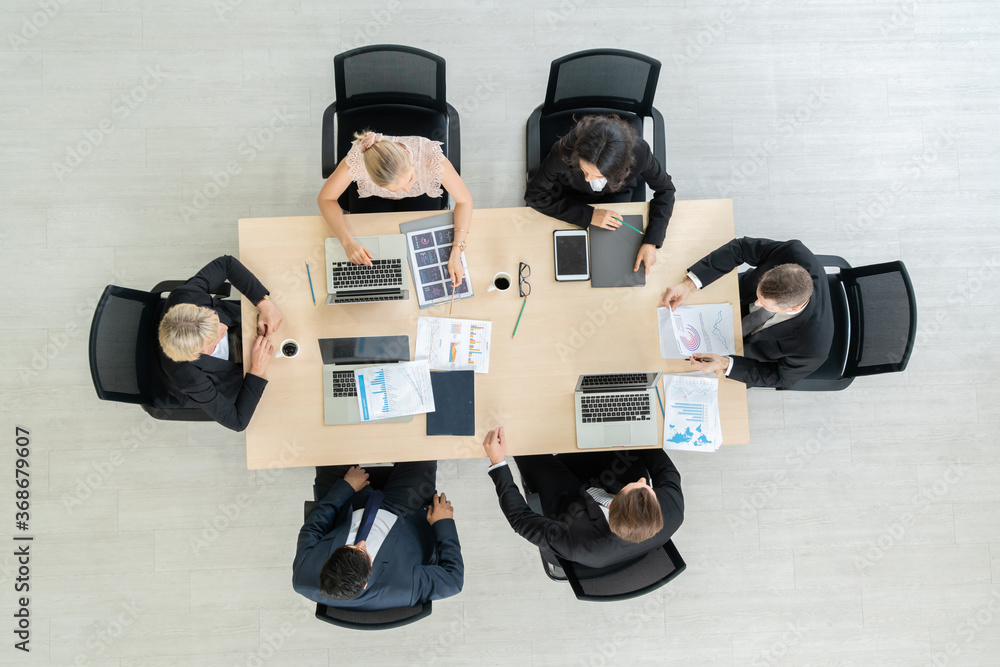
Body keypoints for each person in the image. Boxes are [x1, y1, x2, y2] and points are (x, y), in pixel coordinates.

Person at [481, 427, 683, 569]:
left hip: (568, 505)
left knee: (521, 442)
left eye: (638, 485)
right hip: (611, 477)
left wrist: (498, 463)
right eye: (647, 487)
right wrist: (636, 424)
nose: (643, 480)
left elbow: (519, 519)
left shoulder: (578, 545)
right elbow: (661, 464)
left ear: (613, 504)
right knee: (621, 434)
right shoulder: (671, 509)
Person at [660, 237, 834, 389]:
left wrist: (724, 363)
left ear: (793, 308)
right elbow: (741, 248)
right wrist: (689, 284)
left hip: (742, 353)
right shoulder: (794, 253)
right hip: (730, 298)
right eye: (759, 294)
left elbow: (780, 378)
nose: (756, 303)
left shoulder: (814, 348)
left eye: (764, 304)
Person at [292, 462, 464, 609]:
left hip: (346, 506)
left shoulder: (305, 577)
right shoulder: (404, 586)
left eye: (349, 547)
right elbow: (454, 581)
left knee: (330, 448)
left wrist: (345, 488)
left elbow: (312, 529)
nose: (362, 543)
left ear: (326, 563)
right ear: (366, 582)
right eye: (364, 553)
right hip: (404, 510)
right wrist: (443, 523)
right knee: (421, 452)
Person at [524, 114, 676, 276]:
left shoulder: (640, 153)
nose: (588, 178)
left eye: (597, 176)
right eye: (585, 170)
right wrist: (588, 215)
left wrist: (652, 241)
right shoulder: (565, 150)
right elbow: (535, 196)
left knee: (616, 257)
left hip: (617, 195)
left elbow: (666, 190)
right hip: (572, 196)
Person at [317, 131, 474, 287]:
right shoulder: (360, 160)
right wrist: (347, 242)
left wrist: (457, 251)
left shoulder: (429, 156)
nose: (406, 190)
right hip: (376, 199)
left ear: (406, 154)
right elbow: (325, 198)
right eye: (395, 189)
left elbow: (465, 200)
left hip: (420, 196)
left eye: (411, 178)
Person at [157, 255, 282, 431]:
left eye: (215, 320)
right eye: (215, 338)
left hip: (249, 323)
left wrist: (264, 302)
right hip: (239, 371)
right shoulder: (189, 377)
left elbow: (227, 263)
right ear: (196, 354)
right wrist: (257, 370)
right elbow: (237, 422)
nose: (223, 328)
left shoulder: (186, 295)